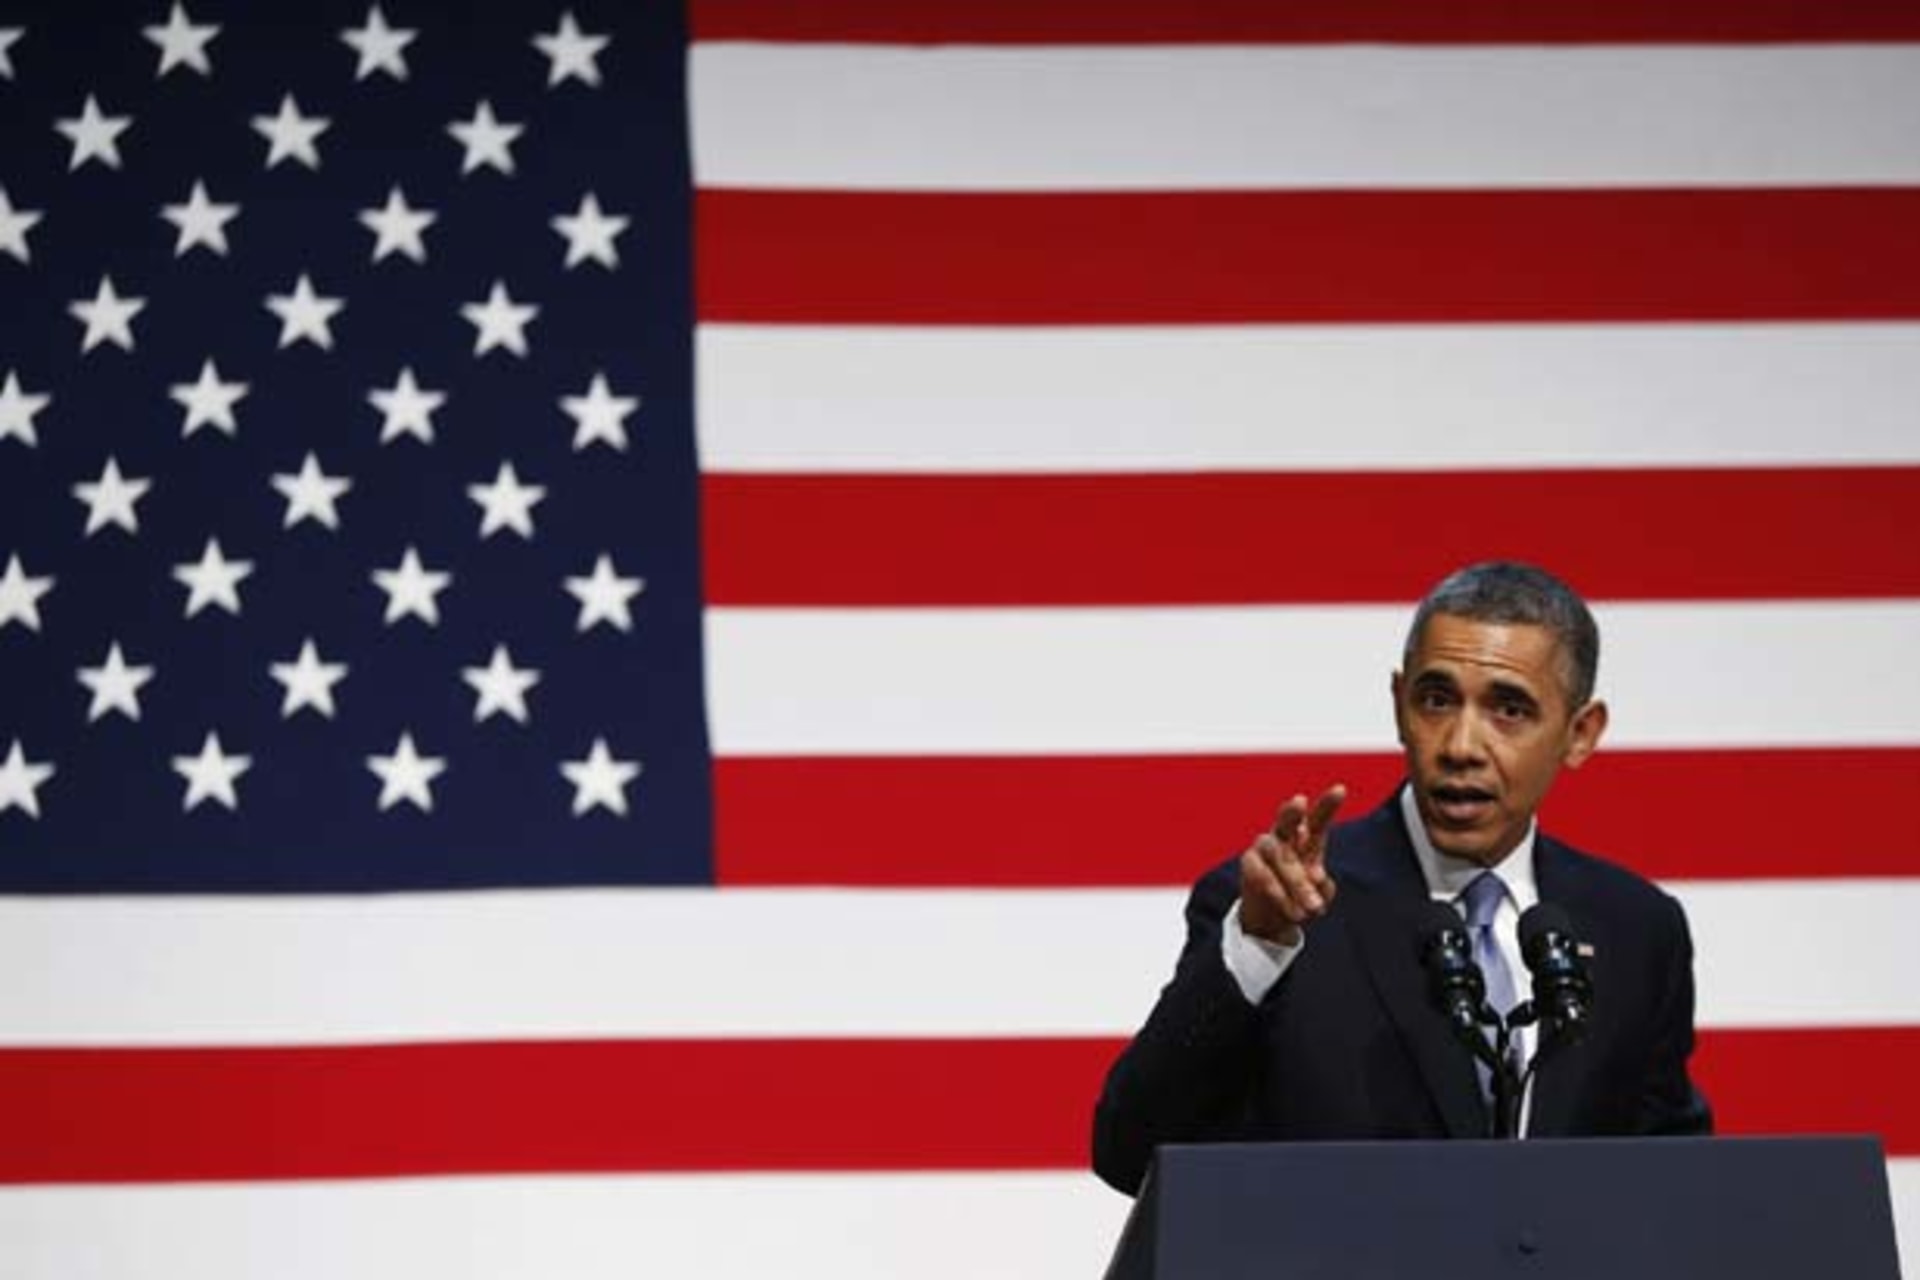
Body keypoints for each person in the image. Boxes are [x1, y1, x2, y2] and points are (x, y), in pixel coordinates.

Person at [1092, 561, 1712, 1196]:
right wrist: (1255, 950)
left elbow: (1677, 1190)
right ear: (1398, 703)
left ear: (1580, 734)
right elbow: (1129, 1151)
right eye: (1436, 700)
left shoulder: (1636, 929)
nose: (1460, 745)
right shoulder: (1279, 909)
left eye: (1509, 709)